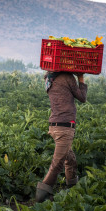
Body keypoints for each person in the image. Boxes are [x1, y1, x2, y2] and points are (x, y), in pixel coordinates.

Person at [35, 71, 88, 203]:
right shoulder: (67, 77)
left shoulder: (49, 78)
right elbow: (82, 98)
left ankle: (72, 187)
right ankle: (41, 196)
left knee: (70, 159)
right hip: (64, 127)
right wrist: (80, 78)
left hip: (54, 125)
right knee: (57, 163)